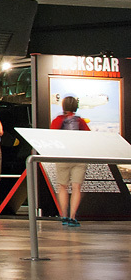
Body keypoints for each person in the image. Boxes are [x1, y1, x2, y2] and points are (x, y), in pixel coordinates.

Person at [50, 95, 90, 227]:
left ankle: (64, 216)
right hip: (79, 156)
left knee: (62, 186)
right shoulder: (80, 121)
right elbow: (88, 136)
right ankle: (73, 217)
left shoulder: (58, 120)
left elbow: (52, 135)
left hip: (63, 157)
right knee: (76, 187)